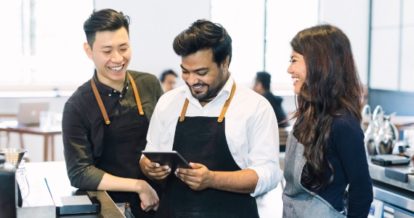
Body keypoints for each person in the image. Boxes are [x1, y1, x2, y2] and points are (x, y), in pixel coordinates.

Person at [140, 19, 282, 218]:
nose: (191, 81)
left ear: (225, 62)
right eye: (185, 72)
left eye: (201, 72)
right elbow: (148, 153)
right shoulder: (168, 103)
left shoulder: (255, 107)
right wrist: (148, 166)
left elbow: (268, 174)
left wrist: (212, 179)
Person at [62, 9, 163, 217]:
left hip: (156, 199)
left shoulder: (149, 84)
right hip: (108, 206)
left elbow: (167, 137)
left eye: (123, 48)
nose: (118, 58)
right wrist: (138, 185)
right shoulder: (77, 105)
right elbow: (79, 173)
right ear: (89, 51)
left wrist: (161, 167)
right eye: (107, 51)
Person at [283, 24, 373, 217]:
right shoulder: (307, 116)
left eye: (294, 60)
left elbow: (362, 192)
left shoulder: (343, 124)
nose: (289, 69)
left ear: (319, 63)